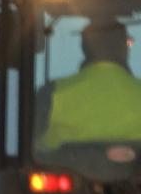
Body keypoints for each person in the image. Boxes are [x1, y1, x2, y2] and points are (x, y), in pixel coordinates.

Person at [38, 17, 141, 149]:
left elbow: (31, 145)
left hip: (58, 168)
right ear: (123, 49)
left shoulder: (52, 93)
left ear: (85, 48)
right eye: (128, 42)